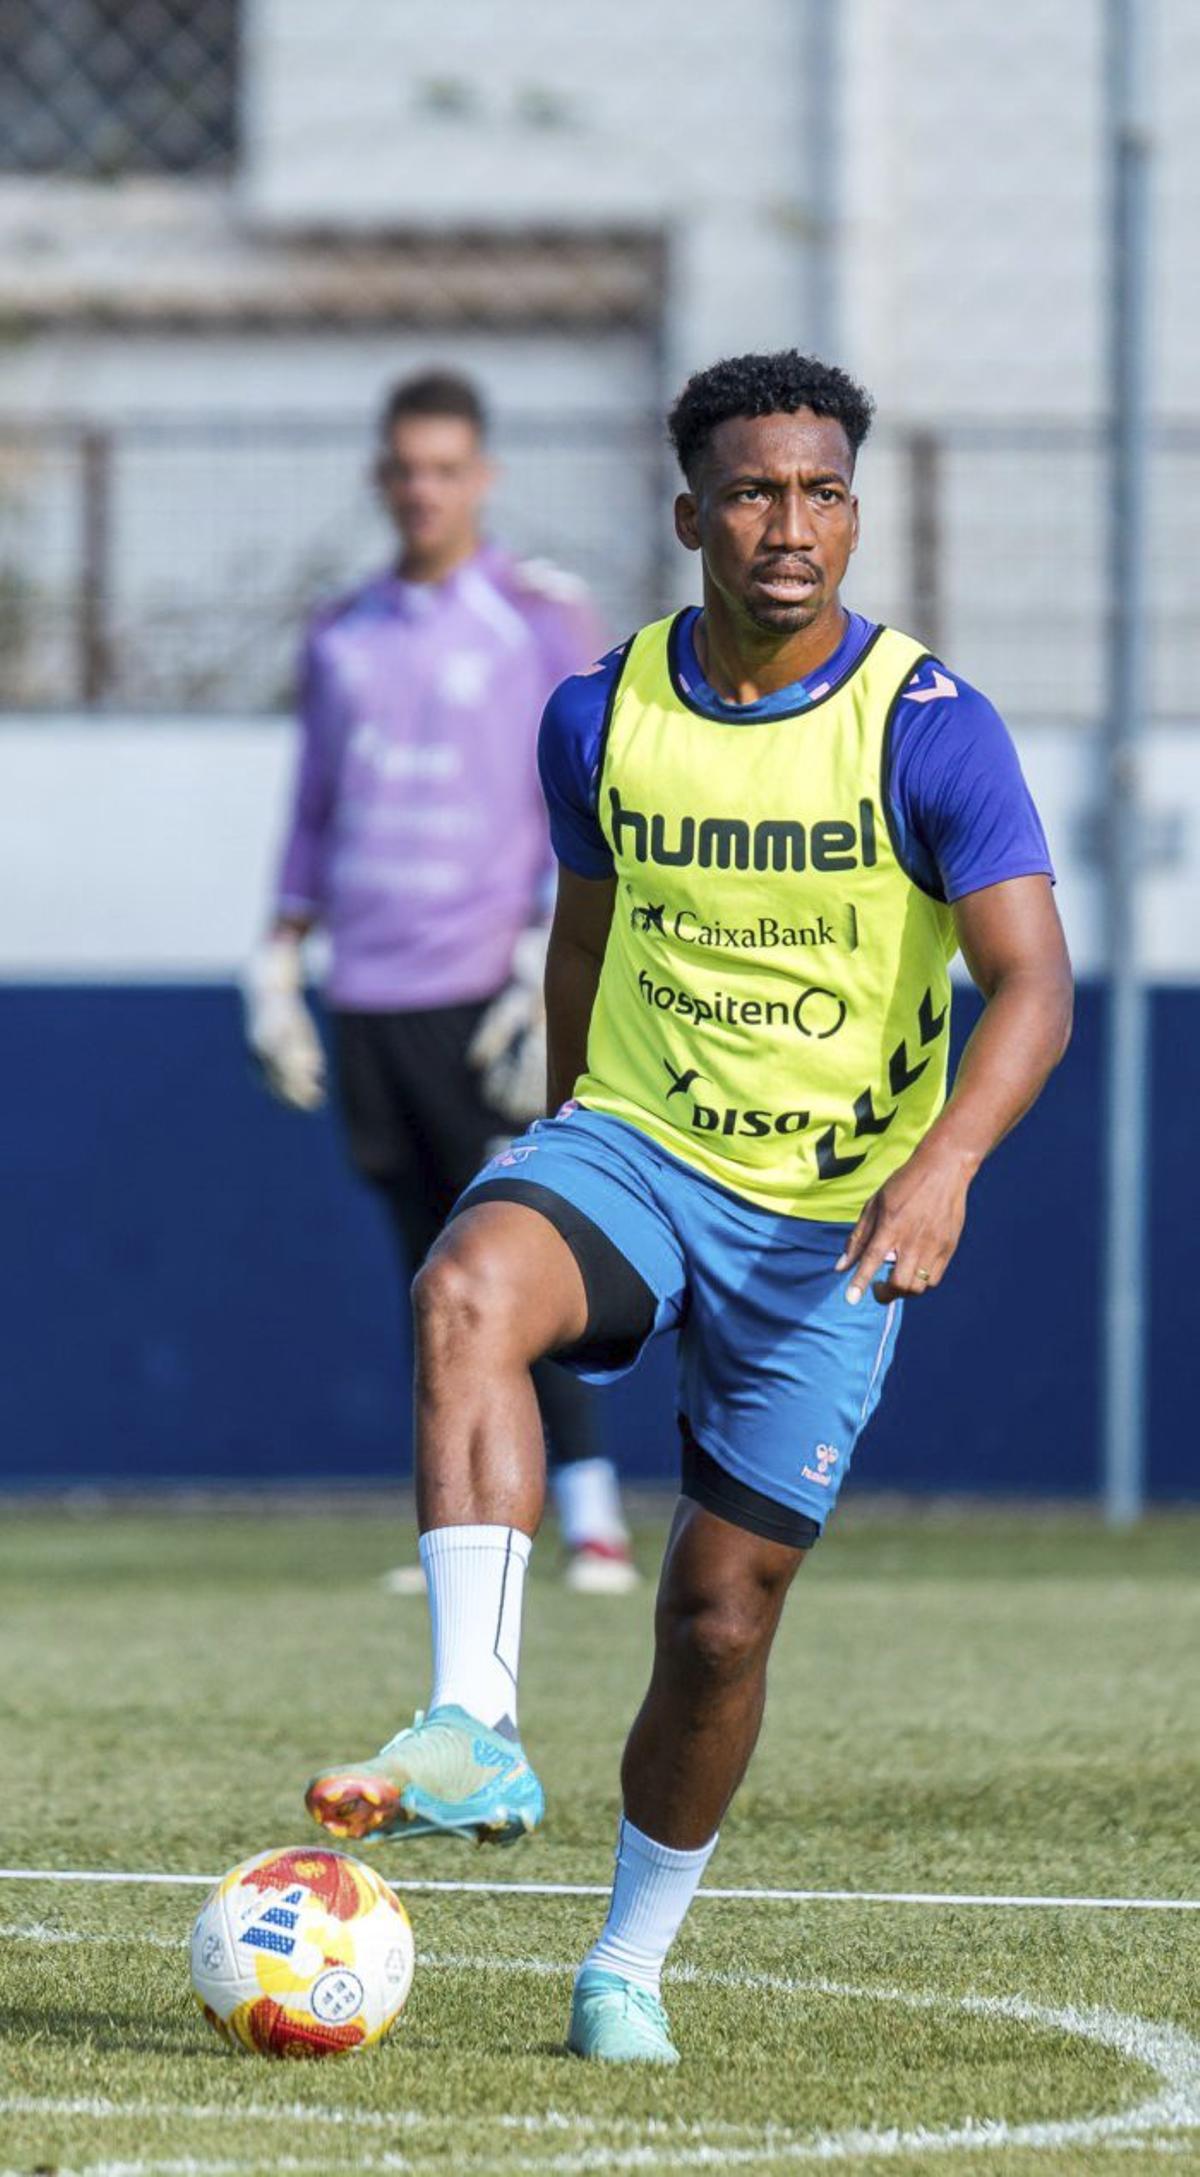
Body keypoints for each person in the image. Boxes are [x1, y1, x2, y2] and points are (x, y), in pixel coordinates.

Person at [303, 351, 1073, 2062]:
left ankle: (626, 1962)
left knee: (717, 1617)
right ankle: (474, 1717)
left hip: (833, 1220)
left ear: (852, 512)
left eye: (821, 492)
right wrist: (563, 1126)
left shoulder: (929, 730)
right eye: (753, 491)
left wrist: (940, 1164)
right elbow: (586, 924)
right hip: (640, 1142)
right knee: (462, 1291)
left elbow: (1033, 983)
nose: (790, 525)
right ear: (690, 513)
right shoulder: (598, 712)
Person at [243, 367, 637, 1594]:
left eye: (446, 467)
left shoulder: (537, 616)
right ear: (382, 477)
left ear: (484, 476)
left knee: (517, 1256)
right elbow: (314, 807)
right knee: (424, 1267)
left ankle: (592, 1516)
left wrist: (543, 958)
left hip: (490, 992)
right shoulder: (342, 630)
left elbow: (589, 790)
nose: (424, 489)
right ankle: (458, 1521)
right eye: (405, 468)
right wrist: (276, 956)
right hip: (370, 989)